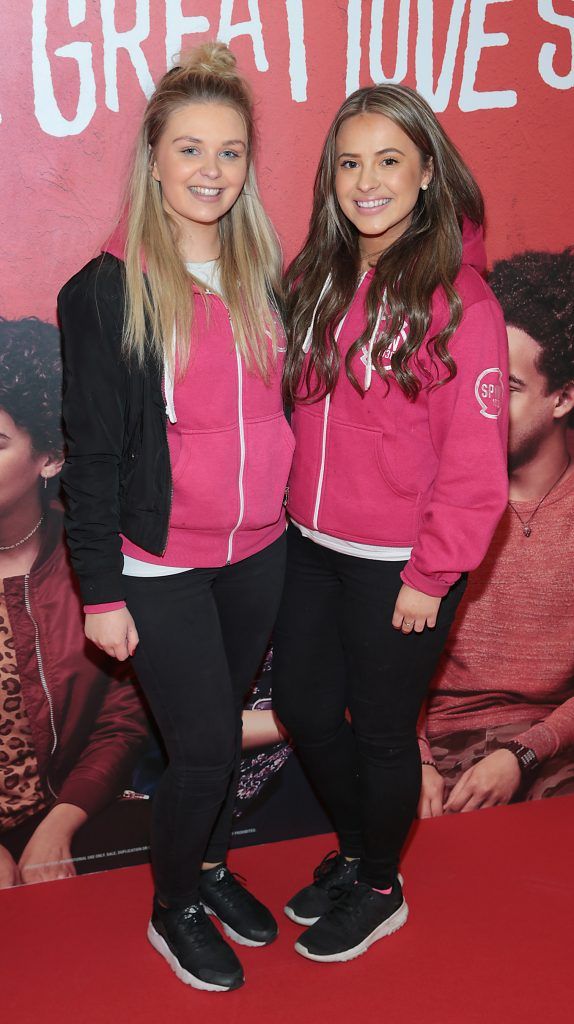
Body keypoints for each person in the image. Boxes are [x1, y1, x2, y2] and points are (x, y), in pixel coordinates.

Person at [58, 43, 294, 993]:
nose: (210, 170)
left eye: (230, 151)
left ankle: (207, 865)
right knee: (200, 747)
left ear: (247, 165)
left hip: (259, 553)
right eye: (189, 147)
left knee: (222, 728)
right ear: (153, 156)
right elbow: (94, 457)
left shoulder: (266, 272)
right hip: (156, 562)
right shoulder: (106, 288)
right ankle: (173, 908)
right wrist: (101, 591)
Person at [272, 84, 509, 964]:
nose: (365, 181)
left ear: (425, 174)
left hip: (402, 566)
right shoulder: (317, 275)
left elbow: (476, 469)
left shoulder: (462, 301)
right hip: (310, 544)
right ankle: (362, 848)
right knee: (301, 704)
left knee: (380, 731)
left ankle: (379, 885)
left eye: (387, 160)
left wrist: (431, 575)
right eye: (348, 162)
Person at [418, 248, 574, 817]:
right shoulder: (431, 498)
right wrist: (413, 758)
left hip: (551, 742)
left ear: (562, 397)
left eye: (505, 388)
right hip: (438, 748)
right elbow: (383, 651)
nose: (480, 408)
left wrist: (523, 755)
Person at [0, 316, 147, 888]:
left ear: (52, 458)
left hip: (66, 811)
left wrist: (60, 825)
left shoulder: (96, 567)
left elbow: (123, 717)